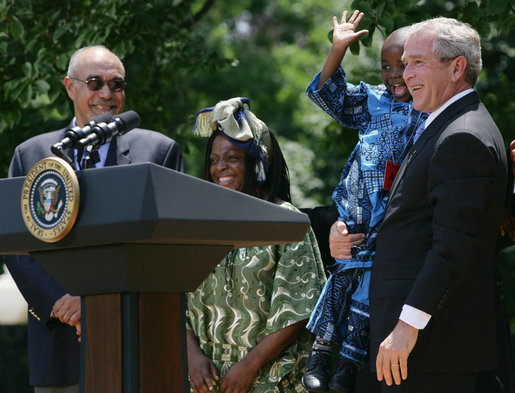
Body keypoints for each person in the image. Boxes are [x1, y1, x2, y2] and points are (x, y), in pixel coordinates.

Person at [4, 45, 184, 393]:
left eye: (116, 84)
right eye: (94, 82)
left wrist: (98, 301)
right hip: (61, 344)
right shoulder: (32, 155)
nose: (107, 93)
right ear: (71, 87)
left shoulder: (157, 153)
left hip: (137, 341)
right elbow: (17, 246)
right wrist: (63, 302)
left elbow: (165, 246)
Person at [368, 17, 507, 393]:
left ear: (457, 67)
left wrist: (407, 326)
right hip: (417, 350)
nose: (403, 74)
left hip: (429, 351)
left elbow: (452, 247)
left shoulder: (463, 136)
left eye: (416, 62)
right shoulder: (446, 125)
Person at [301, 10, 426, 393]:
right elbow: (328, 94)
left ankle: (348, 366)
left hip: (390, 226)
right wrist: (338, 48)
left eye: (403, 65)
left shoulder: (429, 113)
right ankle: (321, 353)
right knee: (341, 281)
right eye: (385, 66)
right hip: (355, 215)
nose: (393, 75)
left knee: (366, 290)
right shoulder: (373, 102)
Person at [186, 97, 327, 393]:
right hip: (210, 382)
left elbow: (300, 309)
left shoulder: (285, 222)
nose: (219, 168)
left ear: (257, 162)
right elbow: (177, 300)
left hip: (271, 380)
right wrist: (192, 357)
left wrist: (248, 367)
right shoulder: (198, 225)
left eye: (232, 158)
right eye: (213, 160)